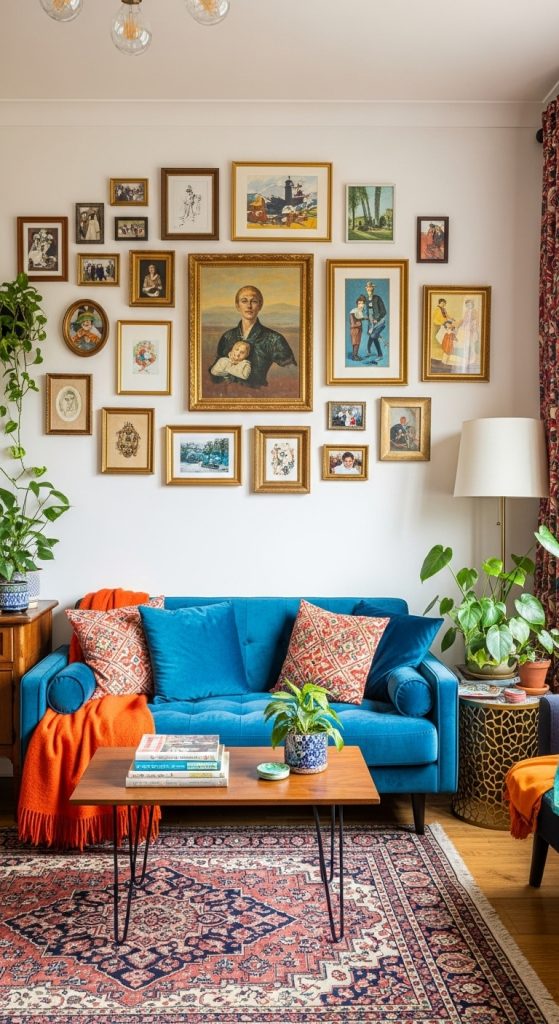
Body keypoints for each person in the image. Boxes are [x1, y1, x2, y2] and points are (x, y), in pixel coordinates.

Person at [210, 285, 296, 389]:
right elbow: (215, 377)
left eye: (254, 301)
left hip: (259, 393)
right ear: (237, 305)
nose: (249, 306)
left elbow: (292, 374)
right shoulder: (227, 337)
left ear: (260, 305)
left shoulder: (274, 339)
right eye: (244, 301)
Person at [364, 281, 387, 359]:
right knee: (371, 335)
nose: (369, 289)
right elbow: (368, 312)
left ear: (373, 289)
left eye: (370, 288)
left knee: (373, 336)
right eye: (368, 288)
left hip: (380, 322)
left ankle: (380, 355)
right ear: (366, 289)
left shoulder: (377, 298)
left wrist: (377, 319)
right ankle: (369, 351)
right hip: (371, 322)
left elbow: (384, 311)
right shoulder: (366, 299)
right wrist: (367, 318)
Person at [349, 294, 367, 361]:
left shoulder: (359, 311)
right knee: (355, 343)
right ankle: (354, 356)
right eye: (359, 303)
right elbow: (352, 324)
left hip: (358, 329)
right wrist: (357, 325)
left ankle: (355, 355)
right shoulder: (354, 311)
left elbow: (359, 318)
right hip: (355, 329)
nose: (360, 305)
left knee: (357, 342)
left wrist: (366, 318)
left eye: (362, 303)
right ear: (357, 304)